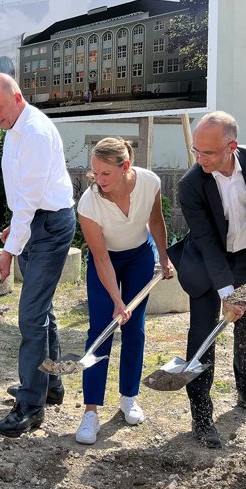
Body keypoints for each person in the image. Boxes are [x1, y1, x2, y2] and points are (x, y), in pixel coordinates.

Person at [169, 111, 246, 448]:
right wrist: (226, 292)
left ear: (231, 146)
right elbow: (207, 242)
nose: (200, 159)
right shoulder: (191, 184)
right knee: (203, 335)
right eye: (196, 151)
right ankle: (203, 416)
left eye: (207, 153)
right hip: (207, 263)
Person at [0, 73, 76, 438]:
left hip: (50, 225)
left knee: (31, 315)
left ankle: (30, 406)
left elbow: (32, 199)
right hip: (37, 221)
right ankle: (49, 386)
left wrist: (8, 252)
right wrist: (15, 229)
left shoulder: (34, 132)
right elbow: (23, 197)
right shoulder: (15, 127)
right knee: (42, 309)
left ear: (17, 98)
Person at [74, 137, 174, 445]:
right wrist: (117, 301)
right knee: (101, 330)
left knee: (135, 331)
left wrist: (164, 257)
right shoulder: (89, 203)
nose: (98, 180)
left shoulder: (149, 182)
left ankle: (129, 397)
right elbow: (101, 257)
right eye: (95, 173)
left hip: (139, 258)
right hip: (106, 260)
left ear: (125, 167)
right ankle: (91, 411)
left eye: (105, 174)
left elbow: (156, 222)